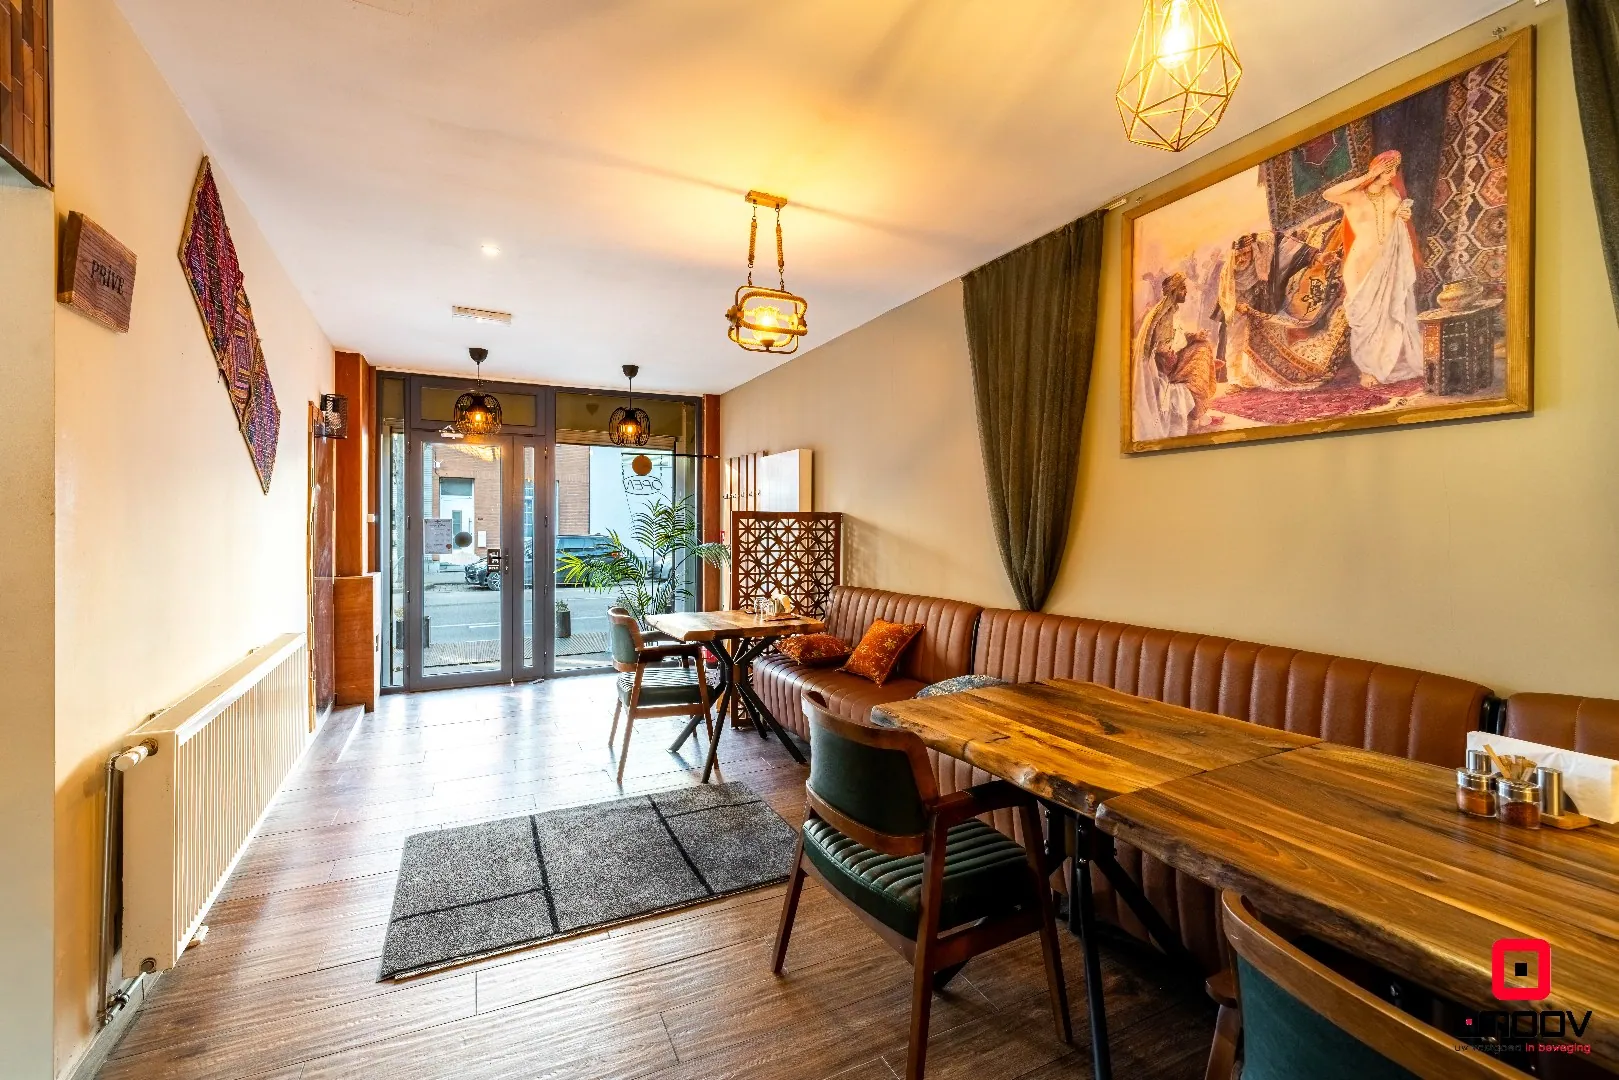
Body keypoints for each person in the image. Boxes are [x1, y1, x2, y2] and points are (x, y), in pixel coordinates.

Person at [1322, 149, 1424, 386]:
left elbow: (1398, 219)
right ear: (1376, 170)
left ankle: (1385, 363)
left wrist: (1403, 215)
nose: (1392, 174)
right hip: (1361, 263)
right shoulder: (1354, 197)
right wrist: (1367, 176)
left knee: (1388, 315)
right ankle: (1366, 369)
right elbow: (1328, 193)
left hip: (1389, 261)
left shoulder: (1393, 194)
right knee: (1364, 318)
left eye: (1394, 169)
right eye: (1387, 170)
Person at [1131, 272, 1198, 440]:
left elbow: (1175, 338)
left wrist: (1194, 337)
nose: (1186, 292)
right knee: (1200, 356)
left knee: (1201, 348)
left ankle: (1196, 416)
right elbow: (1161, 348)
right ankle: (1193, 417)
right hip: (1160, 367)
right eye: (1182, 288)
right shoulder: (1165, 314)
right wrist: (1171, 357)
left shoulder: (1170, 311)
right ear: (1173, 291)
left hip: (1167, 359)